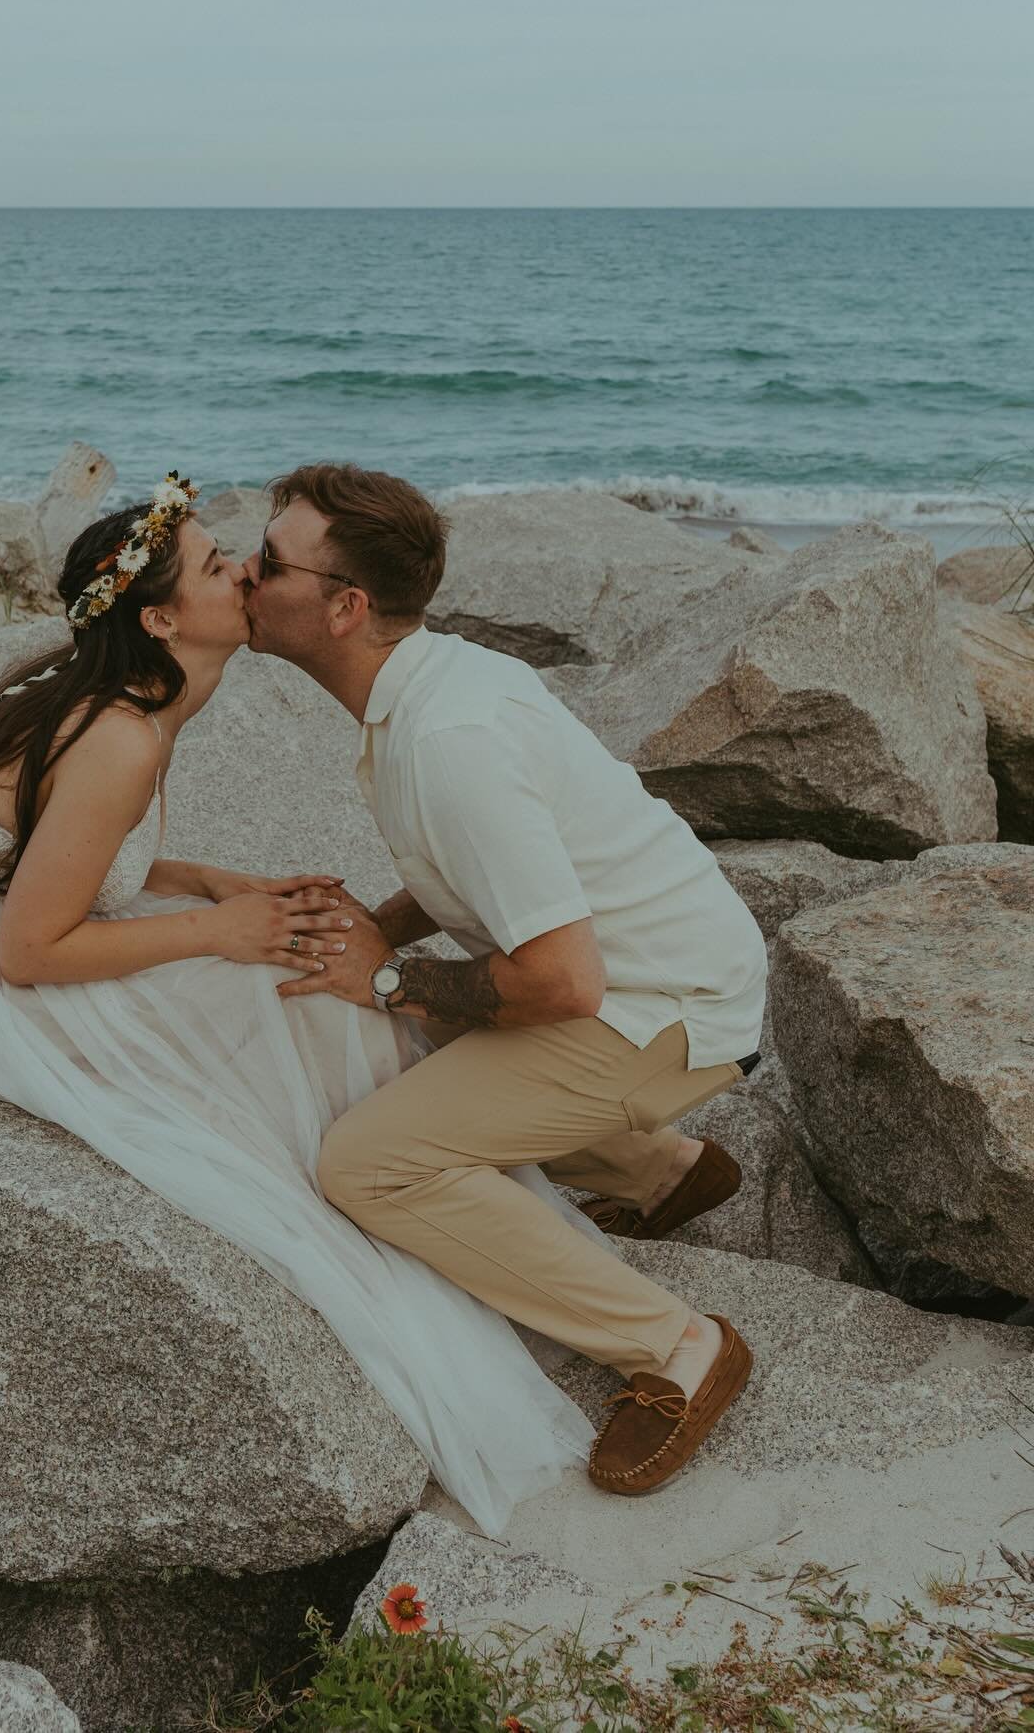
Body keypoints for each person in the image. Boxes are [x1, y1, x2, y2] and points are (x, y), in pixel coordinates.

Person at [0, 471, 611, 1541]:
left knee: (306, 976)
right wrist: (219, 931)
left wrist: (213, 882)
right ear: (162, 617)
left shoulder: (139, 708)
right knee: (295, 990)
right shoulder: (120, 734)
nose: (248, 570)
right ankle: (413, 1195)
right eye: (221, 565)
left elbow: (82, 852)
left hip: (12, 933)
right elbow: (31, 947)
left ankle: (439, 1182)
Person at [242, 461, 768, 1496]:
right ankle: (657, 1170)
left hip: (660, 1012)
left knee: (368, 1161)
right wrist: (377, 927)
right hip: (662, 971)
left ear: (345, 607)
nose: (244, 575)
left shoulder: (450, 736)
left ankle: (677, 1347)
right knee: (390, 1032)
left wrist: (389, 979)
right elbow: (472, 874)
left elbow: (563, 982)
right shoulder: (430, 684)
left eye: (268, 563)